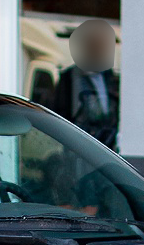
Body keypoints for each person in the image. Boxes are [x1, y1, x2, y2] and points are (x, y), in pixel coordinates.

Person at [48, 19, 119, 150]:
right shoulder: (68, 78)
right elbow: (57, 115)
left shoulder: (110, 77)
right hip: (77, 148)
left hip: (107, 148)